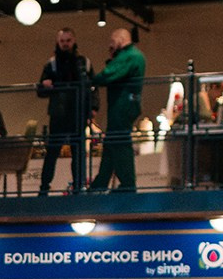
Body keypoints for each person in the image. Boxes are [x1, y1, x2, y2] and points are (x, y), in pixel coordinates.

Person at [90, 27, 146, 193]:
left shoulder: (128, 56)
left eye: (112, 43)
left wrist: (91, 80)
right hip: (127, 105)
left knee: (119, 142)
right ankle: (100, 183)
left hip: (121, 106)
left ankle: (127, 185)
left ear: (120, 40)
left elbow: (108, 74)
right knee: (111, 143)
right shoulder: (137, 56)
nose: (110, 47)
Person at [36, 27, 92, 194]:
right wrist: (46, 86)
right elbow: (40, 90)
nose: (65, 44)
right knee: (52, 153)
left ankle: (79, 187)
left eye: (68, 41)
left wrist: (92, 109)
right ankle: (44, 188)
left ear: (73, 41)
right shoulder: (51, 65)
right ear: (58, 42)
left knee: (78, 153)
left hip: (77, 114)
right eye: (62, 41)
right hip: (59, 115)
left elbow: (92, 88)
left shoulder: (84, 63)